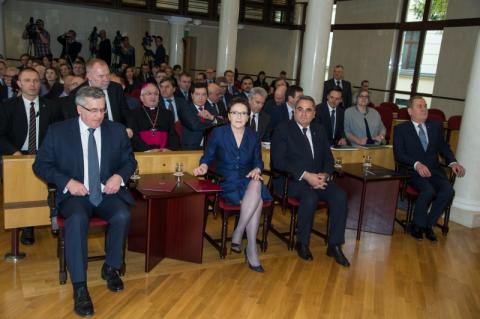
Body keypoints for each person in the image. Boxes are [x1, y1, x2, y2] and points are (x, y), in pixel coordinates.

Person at [32, 86, 137, 317]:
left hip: (105, 193)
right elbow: (40, 165)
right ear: (79, 109)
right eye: (93, 110)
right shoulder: (58, 131)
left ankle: (110, 268)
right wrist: (68, 182)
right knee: (77, 219)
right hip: (75, 196)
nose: (99, 115)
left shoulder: (116, 130)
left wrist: (119, 176)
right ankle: (80, 287)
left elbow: (130, 162)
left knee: (123, 215)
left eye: (102, 110)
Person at [193, 98, 272, 272]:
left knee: (256, 184)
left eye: (243, 113)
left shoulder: (253, 135)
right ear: (229, 116)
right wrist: (204, 166)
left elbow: (259, 161)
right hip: (225, 180)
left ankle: (239, 231)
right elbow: (208, 156)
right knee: (256, 200)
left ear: (248, 117)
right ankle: (251, 248)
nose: (239, 116)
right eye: (235, 113)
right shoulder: (219, 133)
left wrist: (257, 169)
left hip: (247, 179)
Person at [271, 96, 350, 267]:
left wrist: (326, 174)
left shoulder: (319, 130)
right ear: (294, 111)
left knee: (340, 196)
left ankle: (335, 245)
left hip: (318, 178)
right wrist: (306, 175)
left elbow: (329, 159)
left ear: (314, 113)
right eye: (300, 109)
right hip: (292, 180)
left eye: (308, 110)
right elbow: (278, 162)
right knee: (310, 198)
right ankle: (303, 242)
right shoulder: (283, 129)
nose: (304, 114)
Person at [0, 67, 62, 245]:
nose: (32, 84)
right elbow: (1, 135)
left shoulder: (51, 106)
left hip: (45, 153)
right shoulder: (7, 107)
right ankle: (27, 226)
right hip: (17, 154)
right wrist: (16, 153)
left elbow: (58, 133)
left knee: (52, 187)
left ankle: (53, 219)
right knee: (23, 190)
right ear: (19, 84)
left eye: (35, 80)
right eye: (27, 80)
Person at [393, 96, 465, 241]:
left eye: (425, 105)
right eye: (419, 106)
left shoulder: (435, 126)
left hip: (434, 171)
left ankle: (427, 225)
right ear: (410, 111)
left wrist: (453, 163)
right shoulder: (401, 129)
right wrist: (417, 164)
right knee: (428, 190)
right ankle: (418, 225)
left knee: (448, 191)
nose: (424, 109)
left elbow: (444, 147)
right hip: (412, 171)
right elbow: (399, 155)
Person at [63, 59, 132, 137]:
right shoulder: (76, 94)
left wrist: (128, 128)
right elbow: (74, 122)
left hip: (116, 134)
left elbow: (125, 112)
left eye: (108, 74)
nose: (106, 79)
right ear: (89, 76)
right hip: (91, 136)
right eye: (101, 76)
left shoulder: (116, 88)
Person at [130, 83, 180, 151]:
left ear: (159, 98)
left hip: (164, 152)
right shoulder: (133, 114)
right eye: (149, 94)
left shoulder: (167, 114)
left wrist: (168, 149)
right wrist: (148, 150)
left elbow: (173, 135)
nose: (153, 97)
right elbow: (134, 137)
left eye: (156, 94)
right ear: (141, 98)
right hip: (143, 152)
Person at [178, 83, 218, 150]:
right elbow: (195, 126)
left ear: (207, 96)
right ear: (192, 95)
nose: (200, 97)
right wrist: (214, 124)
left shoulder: (210, 107)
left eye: (203, 94)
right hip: (191, 147)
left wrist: (211, 117)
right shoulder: (185, 108)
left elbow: (222, 124)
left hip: (210, 146)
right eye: (197, 94)